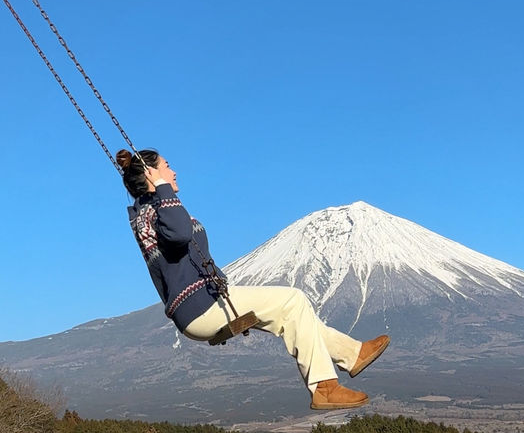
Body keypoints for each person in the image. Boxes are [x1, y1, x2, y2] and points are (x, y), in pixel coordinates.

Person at [116, 149, 390, 410]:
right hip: (199, 306)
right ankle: (324, 387)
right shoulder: (155, 212)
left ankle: (352, 354)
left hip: (202, 303)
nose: (174, 172)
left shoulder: (152, 211)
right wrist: (162, 187)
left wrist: (161, 189)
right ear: (153, 174)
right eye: (167, 166)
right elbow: (179, 234)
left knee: (291, 315)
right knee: (294, 299)